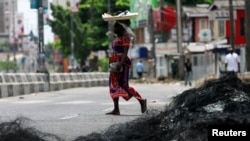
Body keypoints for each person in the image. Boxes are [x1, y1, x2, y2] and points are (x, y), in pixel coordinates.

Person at [105, 19, 147, 115]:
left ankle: (141, 101)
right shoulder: (116, 38)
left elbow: (125, 52)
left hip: (122, 64)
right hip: (114, 64)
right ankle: (116, 109)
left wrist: (120, 64)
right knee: (113, 86)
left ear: (122, 27)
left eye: (117, 26)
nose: (114, 28)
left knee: (124, 85)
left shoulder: (125, 38)